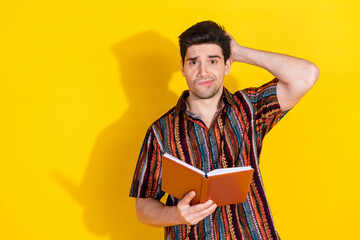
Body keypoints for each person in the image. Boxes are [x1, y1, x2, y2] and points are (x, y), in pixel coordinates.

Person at [129, 21, 319, 240]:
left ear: (227, 65)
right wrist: (175, 214)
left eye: (213, 60)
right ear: (183, 68)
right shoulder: (161, 131)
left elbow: (307, 75)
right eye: (194, 62)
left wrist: (238, 51)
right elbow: (143, 205)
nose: (203, 71)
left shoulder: (249, 108)